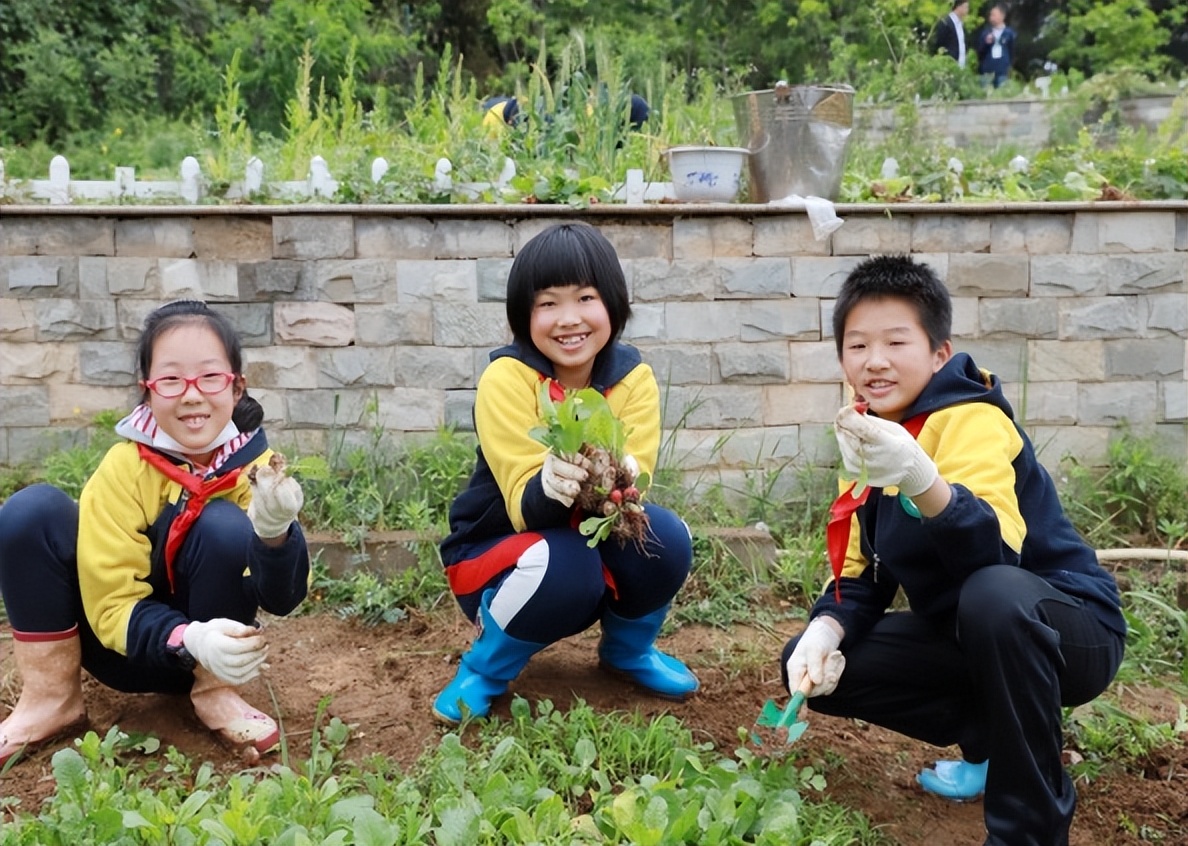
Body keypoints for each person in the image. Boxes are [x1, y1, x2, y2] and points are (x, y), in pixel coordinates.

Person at [780, 255, 1125, 845]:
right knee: (826, 669)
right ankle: (992, 744)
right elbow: (863, 578)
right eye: (857, 345)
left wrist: (924, 481)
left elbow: (999, 556)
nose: (875, 360)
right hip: (976, 636)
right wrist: (826, 629)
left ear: (939, 353)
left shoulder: (971, 419)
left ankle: (1029, 831)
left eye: (896, 341)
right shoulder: (868, 436)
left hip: (1068, 629)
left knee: (993, 595)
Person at [0, 300, 310, 767]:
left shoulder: (260, 470)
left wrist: (274, 533)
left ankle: (215, 694)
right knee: (31, 511)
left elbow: (284, 598)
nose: (191, 395)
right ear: (147, 392)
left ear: (237, 385)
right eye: (170, 380)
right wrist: (187, 637)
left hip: (213, 657)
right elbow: (110, 604)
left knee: (226, 525)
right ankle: (50, 699)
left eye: (210, 377)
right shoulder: (124, 468)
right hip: (118, 649)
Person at [433, 221, 698, 724]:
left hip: (583, 540)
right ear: (524, 316)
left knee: (666, 537)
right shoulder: (507, 379)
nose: (568, 319)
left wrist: (626, 474)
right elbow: (523, 506)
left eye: (585, 298)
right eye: (547, 303)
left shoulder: (633, 379)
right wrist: (549, 480)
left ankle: (628, 651)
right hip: (498, 551)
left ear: (612, 305)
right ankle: (485, 670)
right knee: (567, 562)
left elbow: (630, 499)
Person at [975, 3, 1016, 88]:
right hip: (987, 71)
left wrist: (1009, 66)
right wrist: (986, 43)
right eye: (991, 15)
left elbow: (1012, 51)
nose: (991, 18)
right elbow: (979, 52)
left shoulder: (1009, 33)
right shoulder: (985, 33)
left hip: (1002, 71)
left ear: (1002, 16)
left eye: (994, 15)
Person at [931, 0, 970, 68]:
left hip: (960, 65)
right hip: (948, 64)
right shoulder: (946, 23)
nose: (967, 10)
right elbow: (939, 43)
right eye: (966, 7)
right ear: (959, 7)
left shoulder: (961, 24)